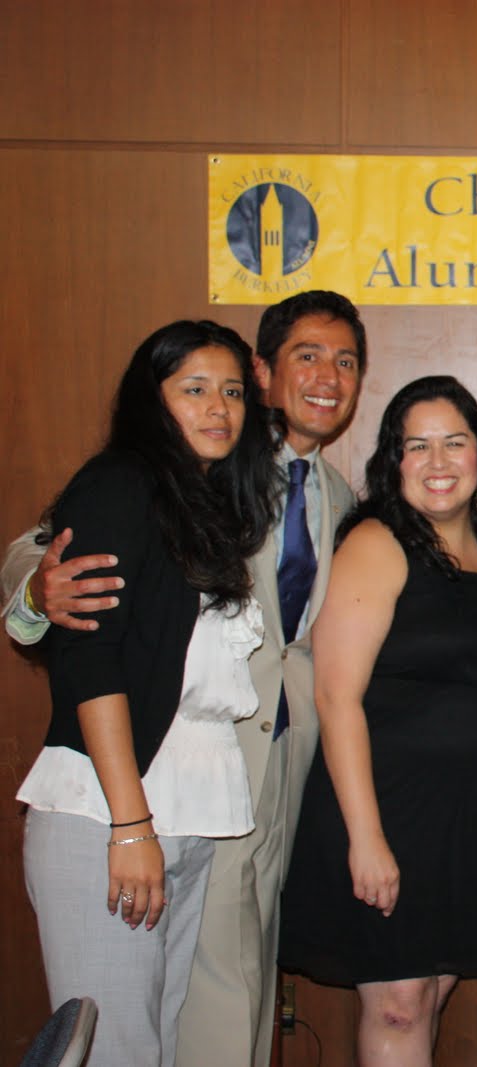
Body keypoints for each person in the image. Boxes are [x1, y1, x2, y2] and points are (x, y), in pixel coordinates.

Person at [3, 290, 368, 1067]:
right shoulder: (166, 470)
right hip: (147, 773)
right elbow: (47, 552)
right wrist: (38, 591)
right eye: (307, 355)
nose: (327, 376)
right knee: (165, 1009)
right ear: (268, 370)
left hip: (245, 785)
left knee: (222, 982)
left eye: (346, 361)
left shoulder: (335, 495)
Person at [16, 320, 279, 1066]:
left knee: (156, 1043)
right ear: (150, 398)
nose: (219, 407)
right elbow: (89, 660)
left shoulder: (203, 503)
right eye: (193, 388)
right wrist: (130, 823)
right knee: (112, 1050)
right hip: (111, 811)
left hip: (188, 812)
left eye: (231, 391)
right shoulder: (118, 482)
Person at [277, 376, 477, 1063]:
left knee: (432, 990)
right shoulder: (378, 541)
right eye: (418, 446)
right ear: (393, 460)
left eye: (454, 442)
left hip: (459, 818)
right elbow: (335, 696)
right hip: (384, 809)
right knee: (400, 1006)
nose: (438, 462)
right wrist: (367, 838)